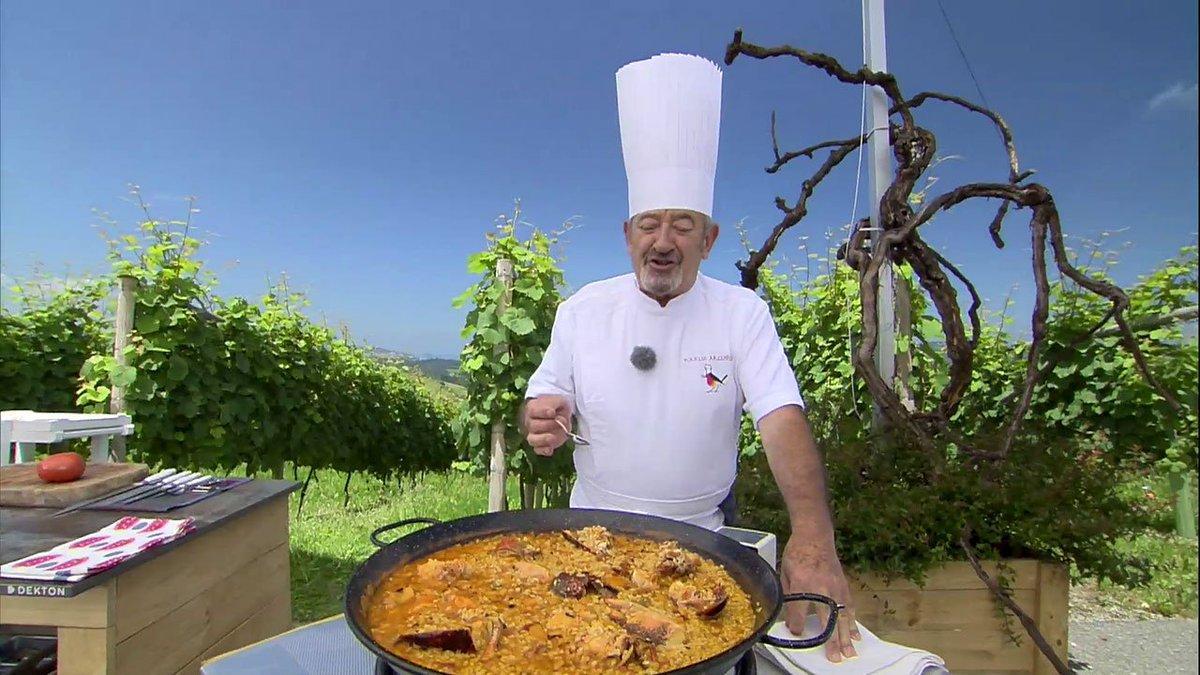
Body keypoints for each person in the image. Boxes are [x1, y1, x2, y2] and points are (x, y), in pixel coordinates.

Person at [521, 53, 860, 663]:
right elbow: (542, 398)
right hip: (588, 535)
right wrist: (540, 417)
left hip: (702, 540)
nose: (664, 241)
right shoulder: (582, 310)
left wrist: (812, 540)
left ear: (709, 240)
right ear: (628, 235)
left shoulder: (741, 314)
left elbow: (782, 417)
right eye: (650, 224)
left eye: (683, 225)